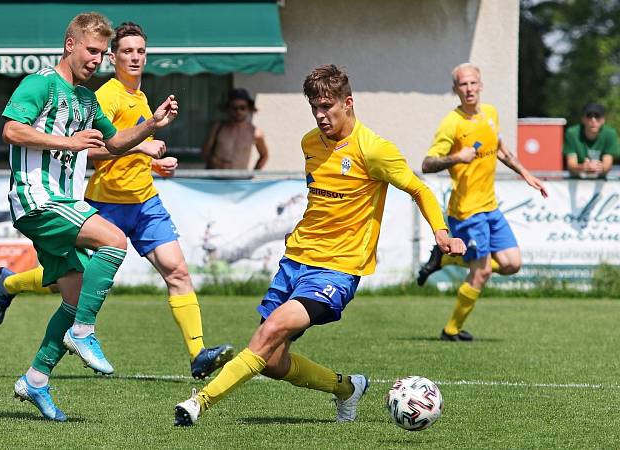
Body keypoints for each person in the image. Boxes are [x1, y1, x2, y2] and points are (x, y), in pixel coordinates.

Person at [173, 64, 466, 426]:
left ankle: (199, 403)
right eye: (314, 107)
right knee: (274, 361)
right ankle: (347, 388)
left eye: (327, 106)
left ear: (349, 102)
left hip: (337, 268)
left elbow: (419, 188)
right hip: (296, 259)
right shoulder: (310, 142)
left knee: (267, 334)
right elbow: (321, 197)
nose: (321, 115)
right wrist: (301, 229)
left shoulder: (374, 150)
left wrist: (440, 232)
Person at [0, 22, 233, 380]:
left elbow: (116, 142)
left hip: (140, 199)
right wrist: (78, 144)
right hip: (83, 199)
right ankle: (38, 304)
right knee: (82, 275)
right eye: (108, 52)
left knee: (166, 273)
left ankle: (37, 380)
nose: (131, 57)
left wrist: (150, 141)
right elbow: (33, 135)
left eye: (139, 51)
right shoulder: (88, 91)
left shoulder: (108, 98)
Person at [2, 12, 177, 422]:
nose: (97, 60)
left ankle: (36, 379)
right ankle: (83, 333)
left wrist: (150, 127)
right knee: (114, 240)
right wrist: (68, 141)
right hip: (37, 198)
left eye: (102, 53)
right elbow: (12, 130)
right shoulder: (41, 83)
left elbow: (113, 143)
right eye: (91, 50)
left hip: (62, 201)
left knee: (73, 299)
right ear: (70, 44)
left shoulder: (85, 99)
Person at [416, 63, 548, 341]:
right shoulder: (452, 123)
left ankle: (446, 258)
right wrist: (455, 157)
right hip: (465, 212)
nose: (469, 89)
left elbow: (499, 149)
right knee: (483, 270)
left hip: (490, 207)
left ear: (481, 85)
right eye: (463, 84)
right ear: (455, 90)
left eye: (473, 83)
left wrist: (526, 174)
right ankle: (451, 330)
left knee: (512, 264)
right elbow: (427, 164)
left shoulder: (490, 114)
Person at [202, 88, 269, 170]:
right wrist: (217, 162)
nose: (238, 111)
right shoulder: (218, 127)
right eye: (234, 108)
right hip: (216, 179)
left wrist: (254, 173)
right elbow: (205, 151)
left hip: (240, 180)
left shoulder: (255, 133)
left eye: (242, 107)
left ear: (249, 108)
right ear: (228, 109)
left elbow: (264, 155)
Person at [563, 103, 618, 179]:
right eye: (589, 116)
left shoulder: (610, 133)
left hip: (601, 181)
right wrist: (583, 167)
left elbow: (607, 164)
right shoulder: (572, 133)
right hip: (577, 180)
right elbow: (571, 164)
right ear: (583, 119)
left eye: (597, 116)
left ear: (603, 120)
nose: (593, 120)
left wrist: (599, 167)